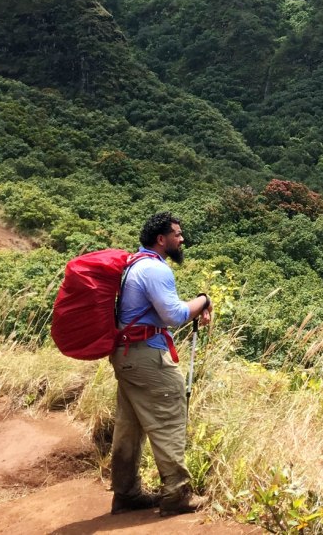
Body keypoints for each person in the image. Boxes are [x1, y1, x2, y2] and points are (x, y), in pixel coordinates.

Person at [109, 211, 212, 516]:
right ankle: (176, 495)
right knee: (169, 417)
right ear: (161, 239)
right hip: (147, 356)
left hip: (126, 355)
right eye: (177, 234)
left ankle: (126, 493)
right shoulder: (155, 270)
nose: (182, 239)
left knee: (129, 425)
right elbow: (175, 315)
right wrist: (203, 300)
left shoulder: (134, 265)